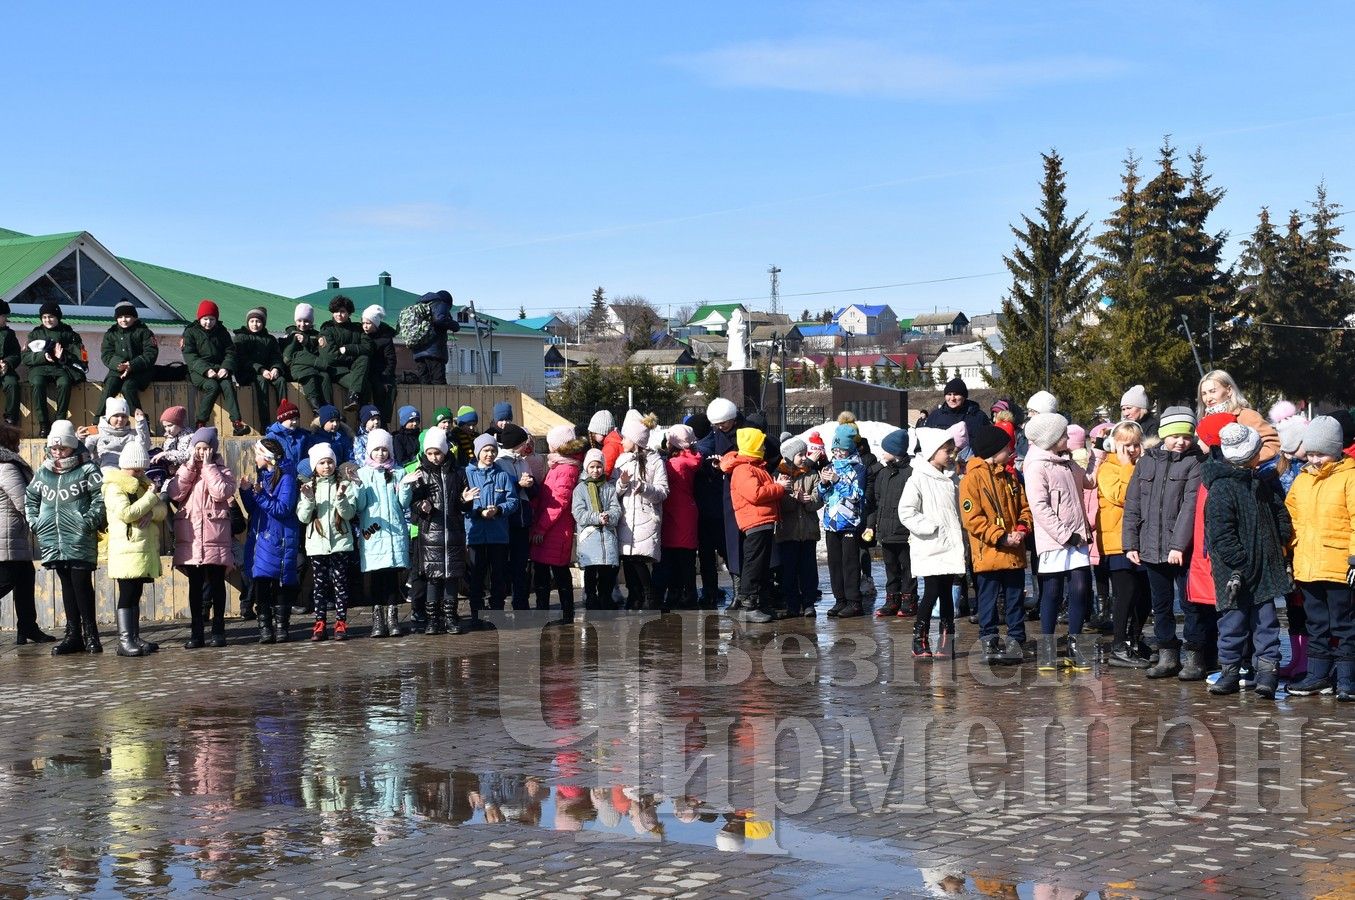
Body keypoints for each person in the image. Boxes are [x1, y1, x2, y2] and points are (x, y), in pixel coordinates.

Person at [1204, 423, 1292, 698]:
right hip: (1234, 572)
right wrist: (1239, 562)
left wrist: (1283, 535)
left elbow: (1278, 511)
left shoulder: (1260, 482)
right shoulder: (1222, 488)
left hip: (1264, 566)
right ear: (1250, 455)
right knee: (1232, 623)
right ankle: (1230, 670)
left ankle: (1267, 672)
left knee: (1266, 622)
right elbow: (1221, 533)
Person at [1123, 407, 1204, 678]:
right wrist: (1130, 543)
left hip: (1182, 550)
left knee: (1190, 603)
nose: (1181, 441)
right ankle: (1167, 653)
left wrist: (1178, 546)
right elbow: (1133, 503)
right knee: (1161, 604)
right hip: (1150, 545)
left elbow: (1190, 507)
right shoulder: (1146, 462)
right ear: (1163, 436)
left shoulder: (1194, 463)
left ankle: (1195, 655)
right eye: (1175, 436)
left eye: (1186, 436)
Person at [1285, 416, 1355, 700]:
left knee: (1344, 623)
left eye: (1321, 454)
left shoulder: (1349, 477)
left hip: (1339, 566)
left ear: (1337, 450)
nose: (1315, 459)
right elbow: (1291, 519)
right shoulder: (1302, 481)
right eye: (1311, 453)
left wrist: (1354, 558)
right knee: (1316, 623)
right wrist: (1288, 551)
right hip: (1308, 566)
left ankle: (1348, 680)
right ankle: (1318, 674)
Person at [25, 421, 104, 654]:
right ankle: (73, 635)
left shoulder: (88, 469)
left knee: (81, 585)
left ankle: (92, 635)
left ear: (73, 446)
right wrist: (35, 523)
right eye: (55, 448)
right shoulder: (43, 472)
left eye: (63, 448)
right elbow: (31, 498)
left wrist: (87, 522)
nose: (58, 452)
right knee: (67, 586)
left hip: (79, 537)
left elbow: (100, 498)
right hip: (52, 539)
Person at [1023, 413, 1094, 671]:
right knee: (1052, 592)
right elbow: (1039, 507)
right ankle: (1047, 649)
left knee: (1080, 589)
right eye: (1063, 434)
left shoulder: (1067, 463)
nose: (1068, 438)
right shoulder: (1036, 466)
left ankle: (1074, 646)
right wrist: (1065, 534)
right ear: (1052, 439)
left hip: (1078, 538)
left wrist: (1095, 457)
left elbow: (1089, 482)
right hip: (1055, 540)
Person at [959, 421, 1032, 664]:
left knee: (1014, 599)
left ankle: (1016, 640)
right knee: (987, 601)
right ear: (993, 451)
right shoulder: (972, 479)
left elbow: (1025, 506)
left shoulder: (1010, 477)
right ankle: (989, 640)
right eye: (1006, 449)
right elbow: (973, 519)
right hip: (989, 552)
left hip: (1014, 552)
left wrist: (1021, 529)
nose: (1011, 453)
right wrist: (1000, 536)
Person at [168, 426, 237, 649]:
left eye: (206, 448)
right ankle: (196, 632)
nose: (201, 452)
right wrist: (189, 466)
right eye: (198, 448)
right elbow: (175, 493)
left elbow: (220, 492)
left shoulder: (222, 471)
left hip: (215, 537)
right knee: (195, 586)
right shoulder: (185, 470)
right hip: (192, 538)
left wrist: (208, 467)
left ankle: (218, 630)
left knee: (217, 584)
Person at [899, 427, 965, 658]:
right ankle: (920, 638)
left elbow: (958, 510)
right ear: (932, 452)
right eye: (947, 451)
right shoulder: (917, 478)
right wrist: (930, 527)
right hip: (930, 544)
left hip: (949, 544)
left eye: (952, 451)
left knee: (946, 591)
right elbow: (906, 511)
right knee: (932, 590)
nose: (951, 455)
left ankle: (947, 640)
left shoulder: (952, 478)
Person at [102, 441, 167, 657]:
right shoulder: (114, 486)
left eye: (142, 469)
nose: (139, 473)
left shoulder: (142, 483)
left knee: (136, 593)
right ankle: (124, 641)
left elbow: (161, 509)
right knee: (127, 594)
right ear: (124, 466)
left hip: (141, 548)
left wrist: (151, 512)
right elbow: (127, 513)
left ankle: (134, 637)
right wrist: (149, 499)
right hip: (126, 548)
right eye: (135, 469)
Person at [405, 427, 472, 634]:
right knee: (433, 578)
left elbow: (463, 505)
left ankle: (451, 617)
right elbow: (413, 504)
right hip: (430, 533)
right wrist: (421, 507)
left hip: (452, 532)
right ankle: (433, 619)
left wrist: (465, 501)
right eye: (430, 453)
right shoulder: (420, 474)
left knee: (451, 577)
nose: (434, 457)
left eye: (438, 452)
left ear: (445, 451)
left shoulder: (458, 473)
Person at [1097, 420, 1150, 668]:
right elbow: (1122, 496)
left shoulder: (1143, 464)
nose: (1131, 450)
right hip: (1117, 541)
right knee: (1125, 594)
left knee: (1144, 595)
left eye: (1135, 445)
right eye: (1125, 445)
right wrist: (1128, 466)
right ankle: (1118, 645)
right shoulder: (1107, 468)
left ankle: (1135, 639)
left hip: (1141, 540)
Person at [239, 437, 301, 644]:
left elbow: (283, 508)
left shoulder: (287, 478)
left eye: (257, 454)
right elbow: (254, 510)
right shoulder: (263, 476)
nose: (255, 459)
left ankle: (282, 627)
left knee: (281, 582)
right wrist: (246, 492)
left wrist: (259, 496)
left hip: (279, 537)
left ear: (267, 457)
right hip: (261, 537)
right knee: (261, 582)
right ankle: (264, 628)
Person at [297, 442, 358, 641]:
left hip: (340, 542)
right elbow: (303, 518)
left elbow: (349, 514)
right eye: (322, 462)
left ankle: (341, 622)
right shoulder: (308, 487)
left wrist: (340, 497)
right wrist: (307, 499)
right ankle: (320, 622)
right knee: (320, 586)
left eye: (330, 462)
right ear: (315, 466)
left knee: (340, 584)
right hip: (317, 544)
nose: (326, 466)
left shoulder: (344, 485)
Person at [724, 426, 785, 624]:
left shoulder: (755, 466)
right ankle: (748, 604)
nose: (765, 448)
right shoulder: (744, 469)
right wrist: (779, 488)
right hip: (755, 521)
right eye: (761, 445)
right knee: (754, 564)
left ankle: (758, 602)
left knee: (761, 565)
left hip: (762, 521)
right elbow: (755, 494)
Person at [355, 429, 411, 638]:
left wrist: (405, 486)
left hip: (394, 532)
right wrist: (358, 487)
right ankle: (377, 619)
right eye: (376, 449)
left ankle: (392, 617)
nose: (381, 454)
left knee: (392, 579)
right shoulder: (363, 473)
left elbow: (403, 503)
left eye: (384, 449)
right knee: (376, 578)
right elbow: (360, 506)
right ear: (370, 451)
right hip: (373, 534)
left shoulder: (398, 472)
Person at [0, 422, 52, 644]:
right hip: (7, 533)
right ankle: (28, 628)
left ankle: (28, 628)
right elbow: (23, 501)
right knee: (6, 580)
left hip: (11, 533)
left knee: (24, 578)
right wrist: (40, 524)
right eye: (16, 442)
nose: (20, 446)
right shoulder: (6, 466)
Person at [530, 425, 586, 624]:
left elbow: (559, 502)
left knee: (558, 572)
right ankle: (546, 610)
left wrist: (540, 528)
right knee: (544, 572)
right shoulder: (559, 466)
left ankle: (565, 612)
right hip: (549, 529)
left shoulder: (566, 468)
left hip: (555, 530)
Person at [615, 412, 669, 611]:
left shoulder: (654, 460)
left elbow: (663, 491)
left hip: (646, 516)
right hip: (626, 517)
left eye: (625, 437)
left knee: (638, 558)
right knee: (627, 559)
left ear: (636, 440)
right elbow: (613, 491)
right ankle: (634, 595)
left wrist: (645, 488)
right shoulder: (621, 460)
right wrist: (622, 484)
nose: (622, 441)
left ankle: (649, 595)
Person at [464, 433, 519, 623]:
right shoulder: (467, 474)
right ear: (478, 452)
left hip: (498, 534)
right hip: (476, 534)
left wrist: (499, 510)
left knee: (499, 574)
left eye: (493, 450)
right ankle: (476, 611)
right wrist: (478, 512)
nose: (489, 454)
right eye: (486, 450)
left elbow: (513, 501)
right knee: (476, 574)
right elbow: (462, 504)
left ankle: (497, 609)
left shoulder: (502, 475)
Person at [181, 300, 249, 436]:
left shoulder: (222, 331)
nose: (208, 322)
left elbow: (230, 351)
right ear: (199, 318)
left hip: (220, 368)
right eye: (205, 319)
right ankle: (201, 422)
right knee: (213, 386)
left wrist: (226, 367)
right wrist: (206, 370)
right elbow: (190, 355)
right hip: (198, 370)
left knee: (228, 385)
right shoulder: (190, 332)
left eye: (212, 319)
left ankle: (237, 422)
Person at [819, 424, 866, 619]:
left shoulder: (859, 468)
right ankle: (840, 600)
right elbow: (823, 496)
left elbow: (857, 495)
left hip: (849, 521)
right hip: (832, 522)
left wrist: (838, 480)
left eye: (842, 450)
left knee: (849, 562)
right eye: (835, 450)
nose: (838, 454)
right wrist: (824, 484)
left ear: (850, 449)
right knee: (834, 563)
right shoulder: (829, 467)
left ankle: (854, 601)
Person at [867, 429, 915, 618]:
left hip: (903, 530)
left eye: (885, 450)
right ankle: (892, 599)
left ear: (895, 451)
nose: (882, 453)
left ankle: (909, 599)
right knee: (890, 566)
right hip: (886, 530)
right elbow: (876, 500)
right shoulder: (882, 473)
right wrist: (874, 524)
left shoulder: (910, 474)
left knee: (907, 567)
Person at [1196, 369, 1283, 472]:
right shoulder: (1204, 421)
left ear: (1229, 390)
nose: (1208, 398)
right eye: (1204, 393)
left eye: (1213, 391)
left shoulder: (1245, 415)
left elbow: (1274, 444)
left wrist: (1247, 462)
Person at [496, 423, 543, 610]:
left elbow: (534, 492)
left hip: (523, 518)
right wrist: (518, 484)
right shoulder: (500, 462)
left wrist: (530, 485)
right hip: (506, 519)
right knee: (503, 565)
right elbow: (499, 491)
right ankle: (499, 602)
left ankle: (521, 602)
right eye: (524, 443)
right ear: (516, 443)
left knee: (521, 564)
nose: (527, 447)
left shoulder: (523, 461)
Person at [23, 302, 87, 437]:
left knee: (64, 383)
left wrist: (62, 356)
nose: (48, 320)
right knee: (37, 383)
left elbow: (79, 356)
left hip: (61, 367)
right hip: (39, 368)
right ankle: (43, 423)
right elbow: (26, 357)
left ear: (58, 317)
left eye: (51, 317)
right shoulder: (35, 334)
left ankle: (60, 420)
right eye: (44, 317)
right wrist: (43, 356)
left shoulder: (69, 334)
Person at [774, 437, 822, 618]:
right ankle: (792, 605)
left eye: (805, 454)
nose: (804, 458)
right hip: (788, 532)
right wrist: (794, 499)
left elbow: (819, 497)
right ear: (789, 456)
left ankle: (809, 603)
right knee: (789, 571)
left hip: (808, 531)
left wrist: (810, 501)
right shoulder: (780, 475)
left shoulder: (812, 474)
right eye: (800, 454)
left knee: (808, 570)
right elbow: (781, 504)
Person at [573, 448, 622, 611]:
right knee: (591, 571)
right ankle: (591, 597)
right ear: (587, 467)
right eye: (592, 467)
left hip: (607, 536)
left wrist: (609, 516)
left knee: (607, 572)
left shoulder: (608, 488)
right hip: (590, 537)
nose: (595, 470)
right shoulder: (580, 489)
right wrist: (596, 517)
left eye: (599, 467)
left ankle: (605, 596)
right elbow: (579, 513)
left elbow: (616, 508)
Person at [660, 424, 701, 610]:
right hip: (688, 512)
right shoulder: (692, 459)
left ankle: (675, 593)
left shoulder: (674, 464)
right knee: (687, 559)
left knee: (672, 558)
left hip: (673, 512)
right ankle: (690, 593)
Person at [99, 299, 158, 417]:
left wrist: (131, 365)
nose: (123, 320)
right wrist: (119, 364)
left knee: (128, 387)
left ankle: (141, 421)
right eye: (120, 317)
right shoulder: (111, 334)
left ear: (134, 317)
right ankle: (98, 421)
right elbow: (106, 354)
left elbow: (150, 353)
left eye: (127, 316)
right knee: (109, 386)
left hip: (139, 371)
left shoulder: (144, 332)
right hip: (117, 371)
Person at [233, 306, 286, 428]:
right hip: (247, 373)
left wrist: (276, 368)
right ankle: (265, 423)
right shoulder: (241, 337)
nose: (255, 324)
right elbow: (242, 359)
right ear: (247, 322)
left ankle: (284, 418)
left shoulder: (270, 339)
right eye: (252, 321)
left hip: (268, 371)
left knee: (281, 381)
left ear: (263, 323)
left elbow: (276, 356)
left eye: (258, 321)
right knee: (261, 381)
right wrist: (261, 370)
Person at [318, 295, 371, 411]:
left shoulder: (357, 328)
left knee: (364, 358)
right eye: (336, 311)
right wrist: (351, 358)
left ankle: (353, 398)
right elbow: (329, 357)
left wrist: (347, 349)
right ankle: (361, 416)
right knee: (364, 386)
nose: (339, 315)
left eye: (342, 311)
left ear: (349, 313)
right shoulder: (327, 329)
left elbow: (368, 348)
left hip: (356, 369)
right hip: (337, 371)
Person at [85, 397, 152, 472]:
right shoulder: (98, 432)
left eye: (124, 416)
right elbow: (84, 452)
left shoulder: (133, 434)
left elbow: (144, 447)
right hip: (106, 473)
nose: (120, 419)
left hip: (129, 471)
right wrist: (80, 438)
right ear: (109, 417)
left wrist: (141, 423)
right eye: (116, 415)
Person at [283, 303, 328, 411]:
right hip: (299, 369)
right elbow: (287, 358)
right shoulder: (290, 335)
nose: (302, 324)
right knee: (309, 374)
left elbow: (320, 353)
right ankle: (316, 408)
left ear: (312, 322)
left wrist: (307, 342)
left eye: (306, 321)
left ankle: (328, 407)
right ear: (295, 321)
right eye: (299, 321)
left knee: (325, 376)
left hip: (315, 367)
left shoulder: (317, 336)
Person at [412, 289, 457, 385]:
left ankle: (424, 401)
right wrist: (454, 325)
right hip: (434, 352)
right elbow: (439, 319)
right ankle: (439, 401)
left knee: (424, 385)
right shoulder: (441, 304)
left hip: (418, 352)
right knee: (438, 384)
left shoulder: (421, 306)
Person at [923, 378, 989, 443]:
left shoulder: (978, 416)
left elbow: (988, 443)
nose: (952, 398)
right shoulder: (935, 416)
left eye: (956, 394)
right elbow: (923, 441)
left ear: (964, 396)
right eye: (949, 394)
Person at [362, 305, 398, 422]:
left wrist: (386, 376)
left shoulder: (385, 339)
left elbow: (391, 360)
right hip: (366, 371)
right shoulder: (362, 336)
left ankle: (382, 420)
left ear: (375, 324)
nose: (365, 326)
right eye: (363, 323)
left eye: (368, 323)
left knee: (385, 390)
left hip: (380, 373)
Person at [299, 405, 353, 477]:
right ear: (323, 422)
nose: (335, 424)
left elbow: (350, 458)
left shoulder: (343, 438)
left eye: (337, 421)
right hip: (320, 474)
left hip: (340, 473)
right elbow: (306, 460)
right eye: (331, 421)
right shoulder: (313, 439)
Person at [152, 405, 194, 477]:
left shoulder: (190, 437)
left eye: (170, 425)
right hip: (172, 475)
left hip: (187, 476)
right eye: (165, 426)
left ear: (179, 423)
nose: (167, 429)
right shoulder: (169, 437)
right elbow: (168, 456)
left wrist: (165, 454)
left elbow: (187, 456)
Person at [266, 398, 308, 468]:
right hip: (282, 474)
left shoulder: (302, 435)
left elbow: (306, 456)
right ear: (282, 420)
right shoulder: (272, 437)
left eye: (296, 419)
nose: (295, 422)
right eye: (291, 419)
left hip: (299, 475)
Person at [0, 300, 20, 426]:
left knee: (12, 384)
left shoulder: (9, 334)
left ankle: (11, 420)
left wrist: (7, 363)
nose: (5, 320)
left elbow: (16, 354)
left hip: (5, 370)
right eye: (3, 316)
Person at [589, 409, 625, 477]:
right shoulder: (616, 440)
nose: (593, 436)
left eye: (595, 433)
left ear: (602, 431)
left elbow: (605, 471)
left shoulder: (610, 447)